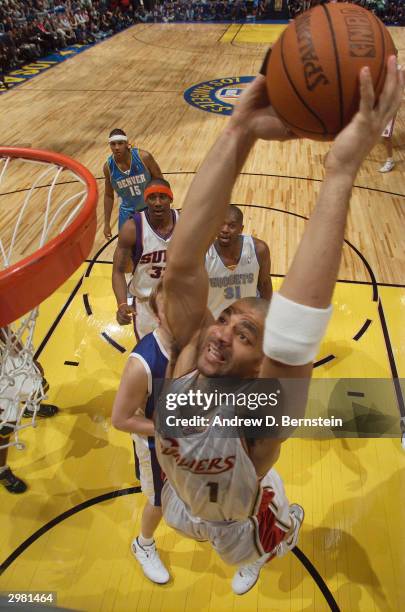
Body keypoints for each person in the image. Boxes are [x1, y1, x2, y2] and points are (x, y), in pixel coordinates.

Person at [154, 58, 404, 594]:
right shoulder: (184, 359)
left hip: (238, 524)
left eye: (245, 336)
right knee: (177, 277)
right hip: (179, 498)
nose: (221, 333)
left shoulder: (257, 419)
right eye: (225, 320)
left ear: (261, 370)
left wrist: (339, 173)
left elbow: (292, 343)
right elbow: (179, 266)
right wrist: (237, 131)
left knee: (252, 547)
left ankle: (269, 535)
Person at [112, 282, 171, 583]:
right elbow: (120, 420)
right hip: (154, 444)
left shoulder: (197, 342)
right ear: (158, 315)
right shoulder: (143, 363)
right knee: (159, 500)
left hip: (184, 438)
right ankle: (144, 543)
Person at [112, 178, 178, 340]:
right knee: (152, 355)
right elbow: (118, 271)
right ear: (145, 199)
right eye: (152, 197)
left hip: (177, 300)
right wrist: (121, 304)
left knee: (180, 354)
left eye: (162, 197)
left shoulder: (185, 223)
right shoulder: (132, 228)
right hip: (145, 303)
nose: (157, 202)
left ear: (170, 198)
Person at [206, 204, 272, 318]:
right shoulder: (204, 254)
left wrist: (265, 317)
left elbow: (265, 285)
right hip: (215, 320)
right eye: (221, 224)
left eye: (231, 226)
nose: (225, 230)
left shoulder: (258, 250)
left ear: (241, 229)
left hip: (247, 319)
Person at [103, 128, 163, 240]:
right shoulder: (108, 168)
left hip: (149, 207)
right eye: (113, 144)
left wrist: (163, 206)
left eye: (120, 143)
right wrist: (107, 223)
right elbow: (108, 195)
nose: (116, 147)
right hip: (127, 211)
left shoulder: (144, 157)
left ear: (127, 144)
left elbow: (160, 181)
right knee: (125, 248)